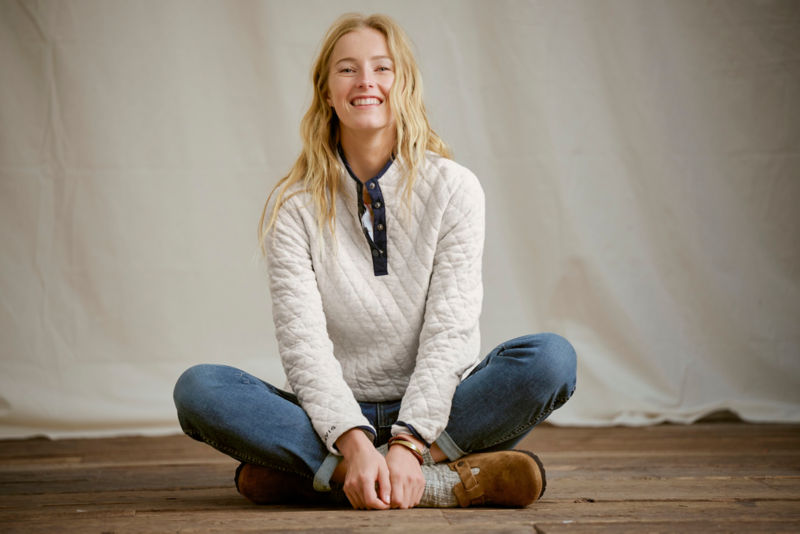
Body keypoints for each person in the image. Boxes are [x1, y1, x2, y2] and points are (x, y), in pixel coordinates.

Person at [173, 12, 576, 510]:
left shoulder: (454, 189)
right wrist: (353, 441)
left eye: (382, 68)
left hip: (440, 413)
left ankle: (337, 479)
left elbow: (450, 332)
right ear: (326, 92)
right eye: (347, 69)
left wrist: (410, 441)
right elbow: (303, 347)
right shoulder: (293, 207)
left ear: (403, 84)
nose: (366, 81)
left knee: (550, 359)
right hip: (329, 420)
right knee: (199, 389)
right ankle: (431, 483)